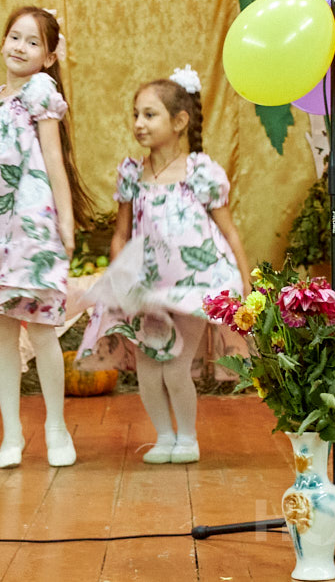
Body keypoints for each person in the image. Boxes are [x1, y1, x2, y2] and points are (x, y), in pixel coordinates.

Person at [74, 65, 251, 464]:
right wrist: (119, 279)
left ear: (179, 121)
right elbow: (121, 234)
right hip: (148, 287)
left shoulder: (201, 172)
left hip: (196, 282)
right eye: (136, 114)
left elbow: (229, 232)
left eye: (149, 115)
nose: (139, 123)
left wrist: (244, 283)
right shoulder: (132, 174)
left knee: (175, 365)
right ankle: (164, 437)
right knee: (149, 367)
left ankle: (187, 438)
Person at [0, 7, 95, 469]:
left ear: (49, 56)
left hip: (31, 225)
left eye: (33, 42)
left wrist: (66, 220)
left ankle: (56, 427)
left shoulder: (40, 90)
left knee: (40, 328)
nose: (20, 47)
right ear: (2, 41)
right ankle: (11, 434)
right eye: (15, 37)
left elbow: (54, 159)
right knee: (2, 332)